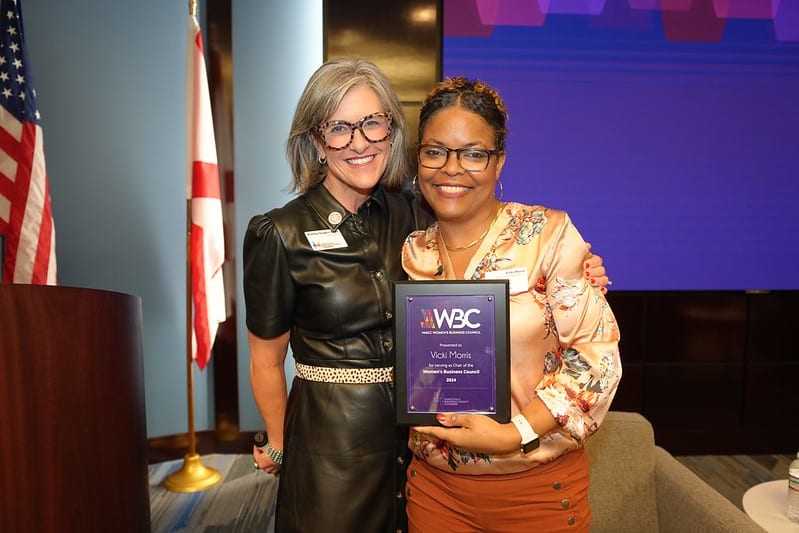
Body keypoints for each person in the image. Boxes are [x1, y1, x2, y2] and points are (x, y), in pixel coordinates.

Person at [242, 57, 609, 532]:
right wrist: (277, 441)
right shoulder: (279, 232)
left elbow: (493, 249)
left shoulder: (415, 216)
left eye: (373, 123)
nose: (360, 142)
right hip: (335, 435)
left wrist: (578, 274)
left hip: (419, 436)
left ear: (391, 131)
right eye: (340, 127)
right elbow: (265, 359)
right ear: (316, 139)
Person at [401, 77, 622, 532]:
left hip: (534, 493)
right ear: (419, 158)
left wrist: (513, 432)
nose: (451, 168)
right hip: (434, 492)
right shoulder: (412, 253)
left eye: (473, 153)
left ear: (498, 161)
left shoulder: (546, 236)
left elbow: (598, 360)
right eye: (435, 151)